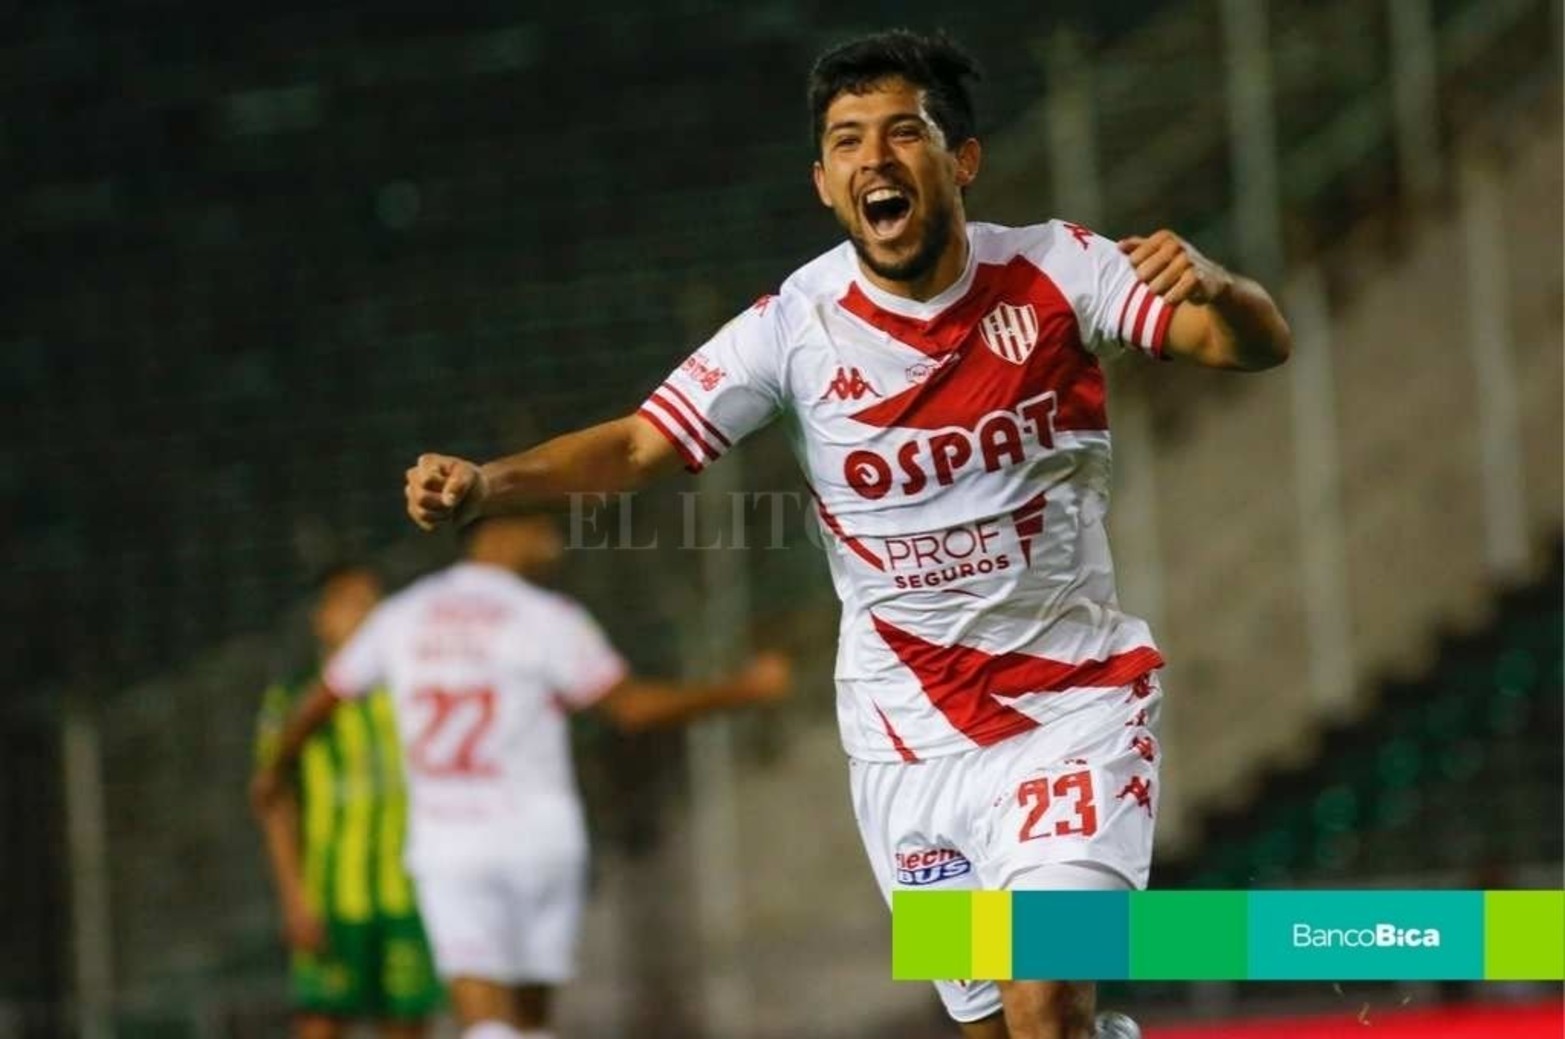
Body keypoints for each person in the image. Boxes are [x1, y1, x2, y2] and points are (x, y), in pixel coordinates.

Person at [399, 30, 1291, 1039]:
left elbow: (1251, 346)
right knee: (993, 1025)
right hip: (902, 740)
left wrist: (1218, 286)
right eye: (847, 140)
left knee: (1042, 994)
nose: (874, 157)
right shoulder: (794, 324)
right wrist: (488, 484)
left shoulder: (1058, 266)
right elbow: (640, 443)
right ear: (823, 183)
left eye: (902, 132)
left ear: (960, 159)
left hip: (1069, 709)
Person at [253, 513, 790, 1039]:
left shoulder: (405, 614)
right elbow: (631, 709)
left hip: (451, 846)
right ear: (500, 529)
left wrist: (273, 769)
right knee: (532, 1022)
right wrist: (742, 689)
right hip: (540, 841)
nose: (555, 540)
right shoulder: (547, 617)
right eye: (542, 524)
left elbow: (321, 699)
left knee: (483, 1020)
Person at [251, 563, 443, 1039]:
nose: (366, 616)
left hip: (408, 894)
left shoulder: (411, 689)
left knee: (406, 1024)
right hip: (332, 896)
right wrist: (294, 897)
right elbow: (273, 800)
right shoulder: (291, 699)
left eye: (373, 604)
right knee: (321, 1023)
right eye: (351, 604)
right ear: (321, 617)